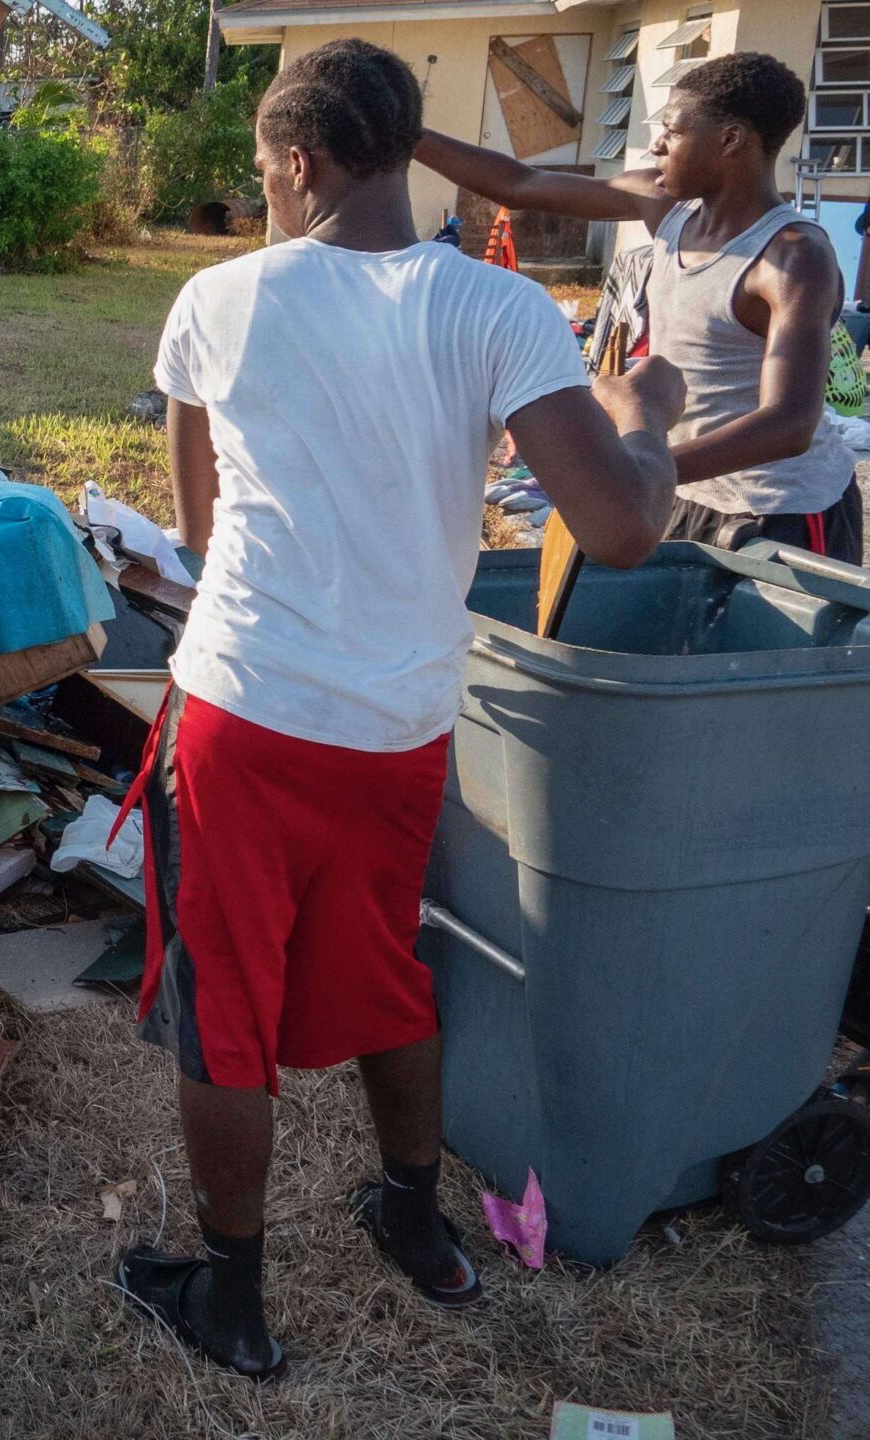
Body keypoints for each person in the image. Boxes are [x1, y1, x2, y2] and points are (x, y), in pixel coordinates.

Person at [115, 38, 685, 1380]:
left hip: (245, 713)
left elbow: (203, 526)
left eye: (265, 169)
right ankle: (416, 1219)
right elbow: (617, 525)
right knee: (384, 960)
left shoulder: (217, 300)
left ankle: (232, 1298)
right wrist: (648, 421)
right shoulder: (497, 312)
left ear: (301, 162)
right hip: (402, 722)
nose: (262, 190)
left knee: (226, 1004)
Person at [418, 53, 860, 561]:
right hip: (683, 486)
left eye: (672, 132)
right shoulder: (665, 205)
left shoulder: (792, 257)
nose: (657, 145)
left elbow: (789, 424)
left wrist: (640, 468)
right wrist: (405, 136)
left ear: (731, 140)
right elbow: (520, 186)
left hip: (782, 510)